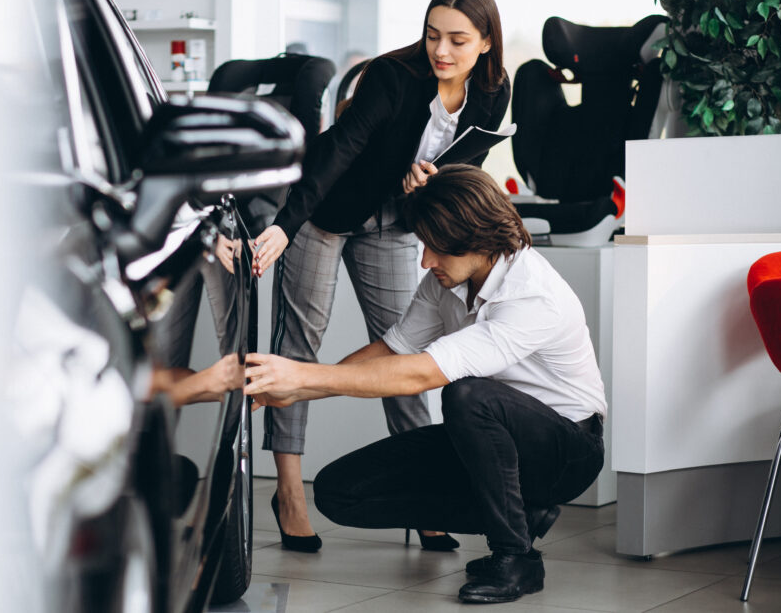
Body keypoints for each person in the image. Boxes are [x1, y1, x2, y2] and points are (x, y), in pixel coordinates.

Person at [245, 165, 606, 605]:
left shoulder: (531, 294)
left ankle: (516, 558)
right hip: (494, 444)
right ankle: (522, 514)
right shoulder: (448, 280)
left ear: (479, 238)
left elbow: (422, 374)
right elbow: (393, 351)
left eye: (436, 249)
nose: (425, 261)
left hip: (567, 451)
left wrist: (302, 374)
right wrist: (294, 388)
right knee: (341, 492)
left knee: (466, 394)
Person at [249, 0, 511, 552]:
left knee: (402, 352)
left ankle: (423, 496)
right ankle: (288, 489)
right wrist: (284, 225)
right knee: (299, 346)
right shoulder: (394, 77)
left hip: (396, 220)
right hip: (328, 210)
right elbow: (339, 149)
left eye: (458, 40)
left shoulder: (494, 91)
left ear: (486, 42)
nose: (441, 50)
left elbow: (472, 156)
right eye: (432, 35)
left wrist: (432, 178)